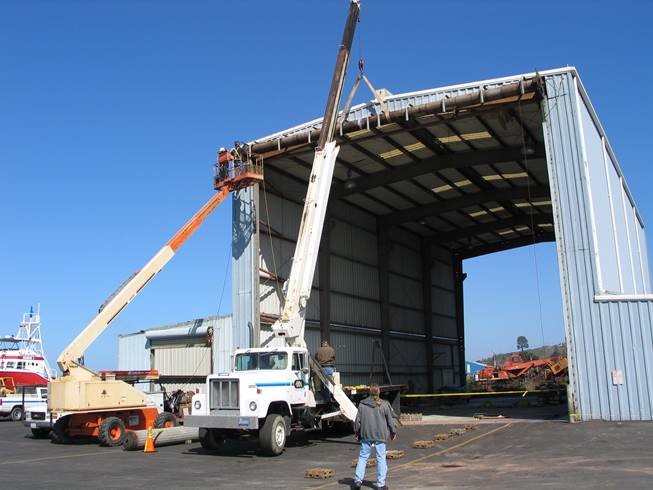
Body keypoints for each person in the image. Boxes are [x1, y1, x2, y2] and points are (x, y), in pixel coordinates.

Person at [353, 384, 397, 490]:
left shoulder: (362, 405)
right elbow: (390, 421)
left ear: (369, 392)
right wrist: (393, 432)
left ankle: (358, 481)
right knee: (381, 458)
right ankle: (380, 484)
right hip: (380, 435)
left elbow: (357, 421)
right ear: (379, 392)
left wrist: (357, 433)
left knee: (363, 458)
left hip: (366, 434)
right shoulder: (384, 404)